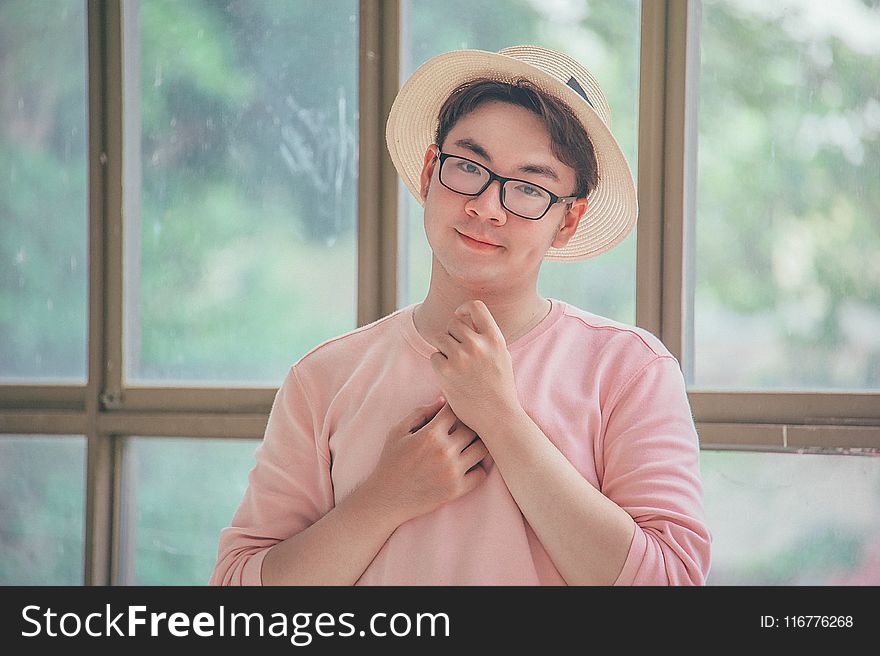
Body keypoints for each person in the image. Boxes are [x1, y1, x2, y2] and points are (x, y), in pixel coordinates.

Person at [209, 45, 711, 586]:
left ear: (568, 220)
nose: (487, 207)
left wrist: (501, 418)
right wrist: (381, 501)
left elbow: (671, 585)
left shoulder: (629, 370)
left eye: (528, 188)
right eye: (470, 167)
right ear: (430, 172)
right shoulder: (323, 378)